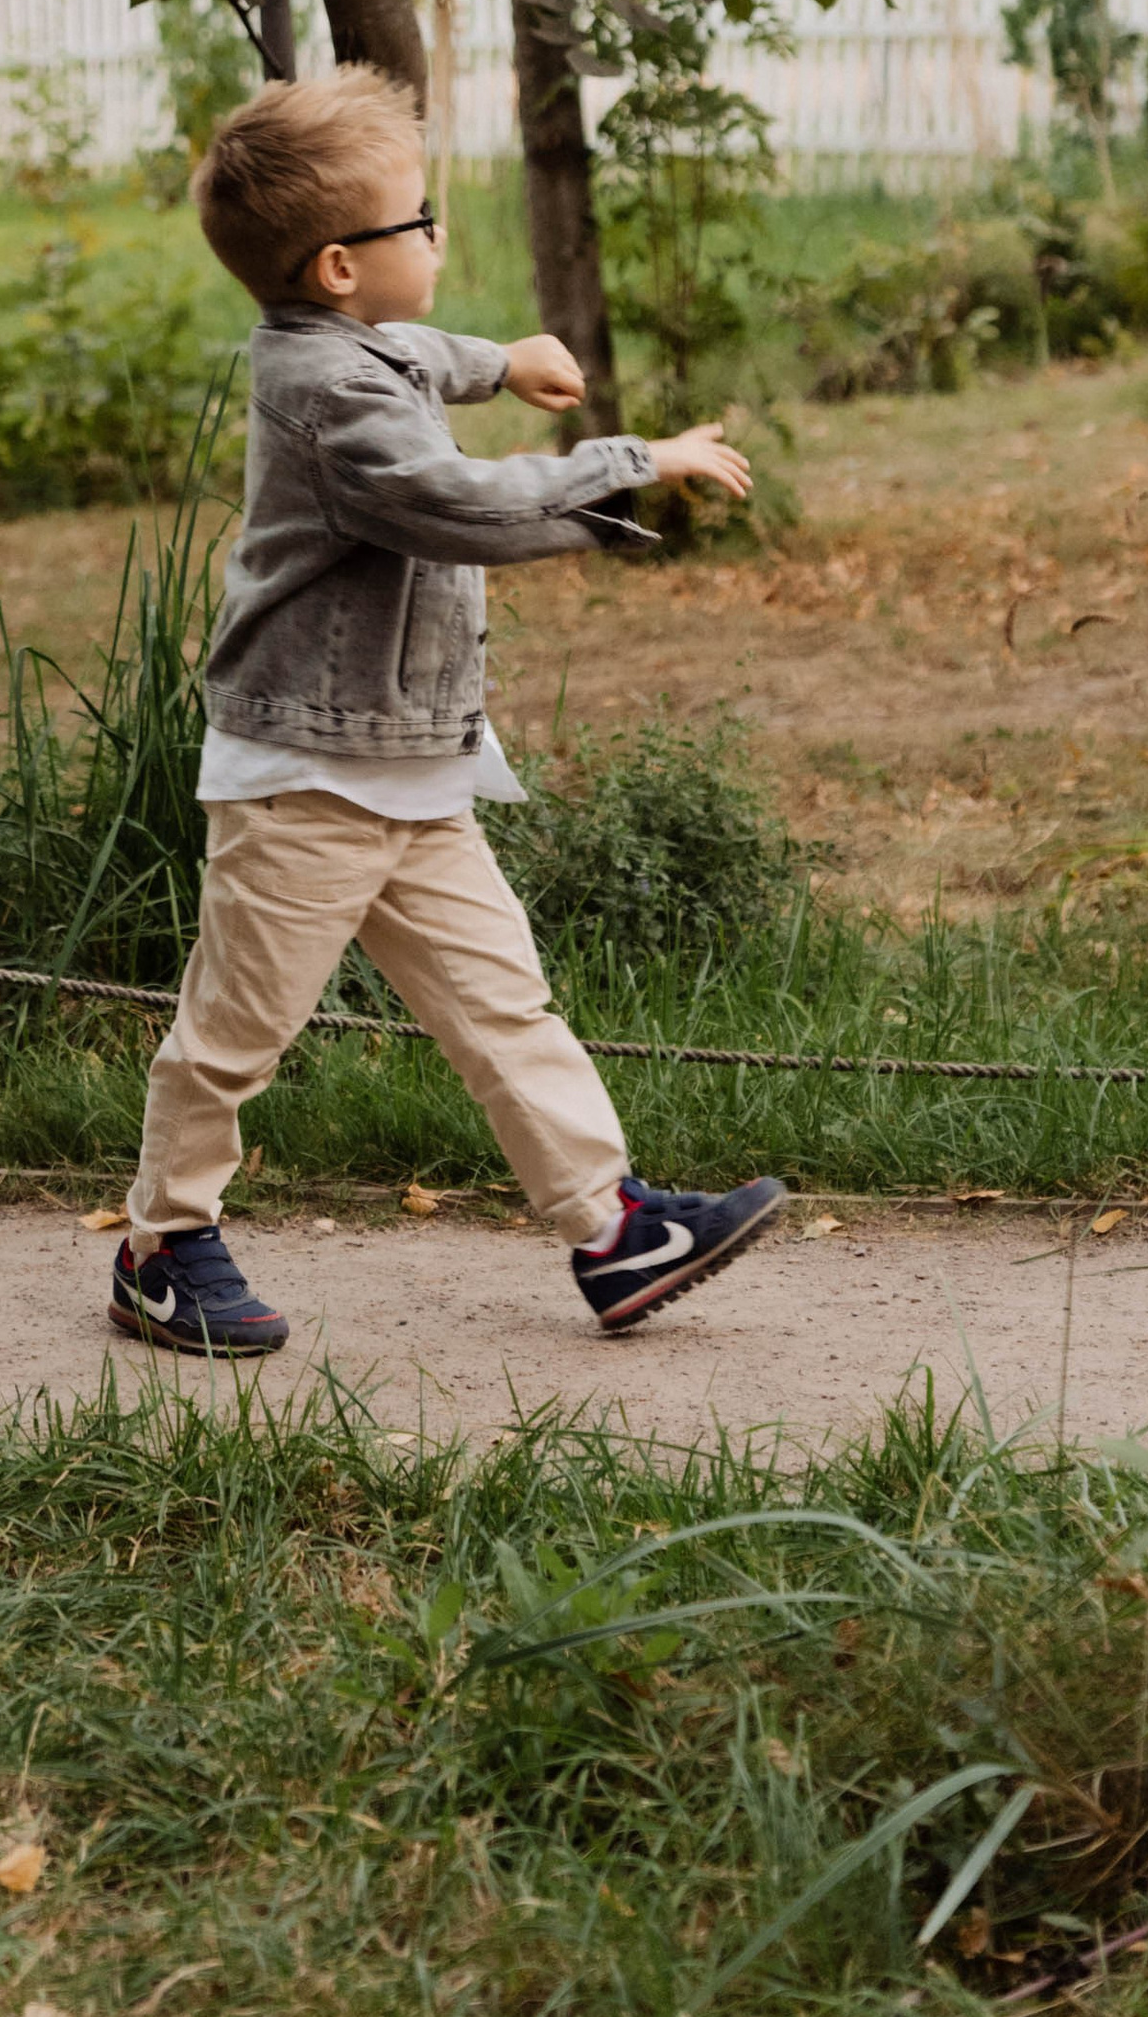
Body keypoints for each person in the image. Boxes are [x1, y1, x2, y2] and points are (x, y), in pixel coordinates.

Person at [109, 66, 784, 1357]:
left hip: (413, 771)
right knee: (236, 1033)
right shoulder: (326, 394)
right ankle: (161, 1243)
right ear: (339, 268)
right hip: (306, 776)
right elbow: (455, 503)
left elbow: (423, 350)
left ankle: (614, 1226)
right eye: (417, 222)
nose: (435, 236)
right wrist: (638, 462)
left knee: (501, 1005)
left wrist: (507, 359)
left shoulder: (358, 346)